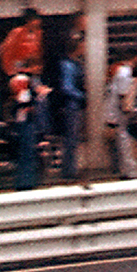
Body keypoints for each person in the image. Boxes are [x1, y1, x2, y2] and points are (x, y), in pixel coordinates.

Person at [52, 33, 86, 181]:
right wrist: (81, 96)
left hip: (75, 105)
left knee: (73, 139)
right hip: (70, 106)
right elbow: (67, 87)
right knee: (70, 139)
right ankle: (69, 171)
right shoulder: (67, 65)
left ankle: (71, 168)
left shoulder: (76, 63)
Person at [104, 54, 137, 179]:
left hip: (115, 112)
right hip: (121, 114)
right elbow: (123, 95)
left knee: (121, 141)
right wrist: (129, 110)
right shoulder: (125, 73)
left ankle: (125, 169)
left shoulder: (120, 73)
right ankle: (130, 171)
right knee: (125, 141)